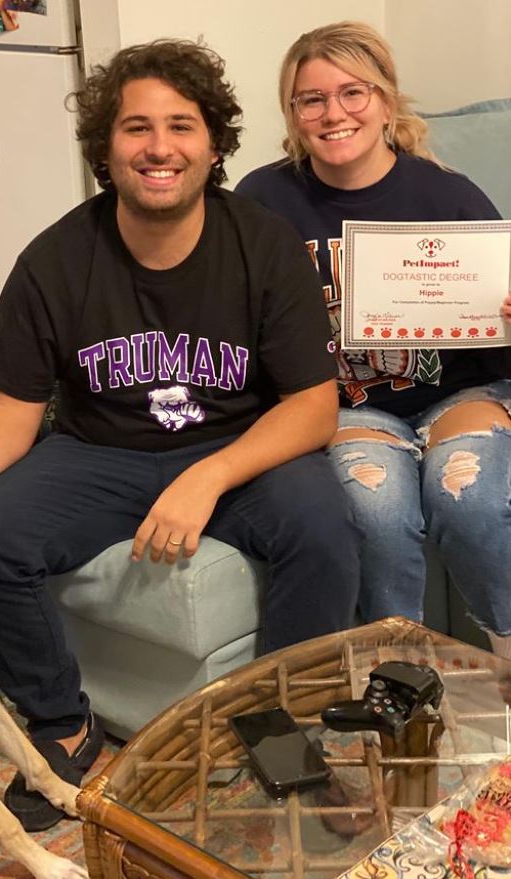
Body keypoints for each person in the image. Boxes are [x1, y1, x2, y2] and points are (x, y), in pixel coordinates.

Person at [0, 39, 360, 831]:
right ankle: (60, 726)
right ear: (105, 148)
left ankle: (282, 727)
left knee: (323, 527)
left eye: (181, 126)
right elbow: (16, 403)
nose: (158, 147)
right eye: (135, 127)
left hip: (238, 450)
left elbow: (312, 407)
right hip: (99, 453)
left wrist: (207, 475)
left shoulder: (262, 245)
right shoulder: (55, 259)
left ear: (211, 145)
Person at [236, 21, 511, 656]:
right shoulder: (262, 199)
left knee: (466, 498)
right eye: (313, 99)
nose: (334, 113)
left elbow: (497, 336)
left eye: (353, 92)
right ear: (293, 112)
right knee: (378, 513)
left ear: (386, 102)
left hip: (456, 394)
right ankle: (401, 681)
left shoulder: (448, 194)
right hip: (346, 408)